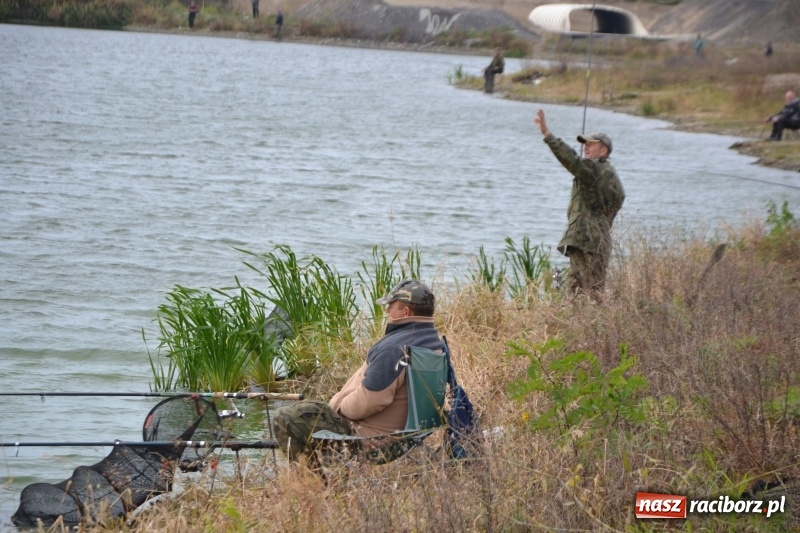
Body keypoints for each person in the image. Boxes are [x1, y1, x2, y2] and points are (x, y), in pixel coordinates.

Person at [271, 280, 445, 460]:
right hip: (406, 436)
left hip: (372, 439)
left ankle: (310, 480)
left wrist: (338, 409)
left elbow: (371, 400)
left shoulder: (394, 349)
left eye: (390, 306)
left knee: (285, 417)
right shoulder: (433, 343)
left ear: (406, 311)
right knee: (310, 411)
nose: (386, 311)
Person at [534, 109, 626, 298]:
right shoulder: (608, 172)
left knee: (577, 292)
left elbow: (572, 161)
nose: (586, 147)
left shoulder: (593, 169)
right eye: (585, 143)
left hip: (585, 239)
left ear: (603, 150)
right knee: (595, 292)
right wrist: (602, 222)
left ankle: (577, 324)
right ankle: (595, 325)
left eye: (591, 144)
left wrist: (548, 135)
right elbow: (619, 199)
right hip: (599, 239)